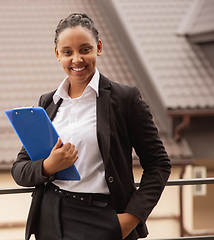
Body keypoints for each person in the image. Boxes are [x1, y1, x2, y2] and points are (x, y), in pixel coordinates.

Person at [11, 13, 171, 240]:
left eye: (85, 50)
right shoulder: (48, 103)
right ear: (57, 54)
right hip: (49, 217)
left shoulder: (125, 99)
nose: (77, 59)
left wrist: (131, 218)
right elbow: (19, 170)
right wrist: (48, 166)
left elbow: (159, 164)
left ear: (98, 47)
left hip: (100, 218)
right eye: (68, 52)